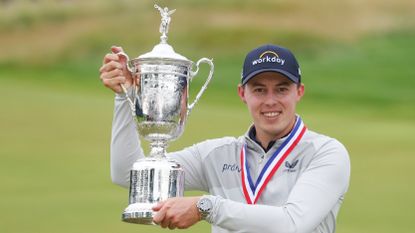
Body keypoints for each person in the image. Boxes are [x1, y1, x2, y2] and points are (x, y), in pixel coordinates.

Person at [99, 44, 351, 233]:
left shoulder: (326, 152)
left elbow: (292, 223)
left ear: (300, 92)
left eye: (282, 89)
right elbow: (126, 175)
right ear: (243, 93)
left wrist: (206, 207)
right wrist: (125, 96)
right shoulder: (217, 154)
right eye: (259, 89)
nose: (270, 101)